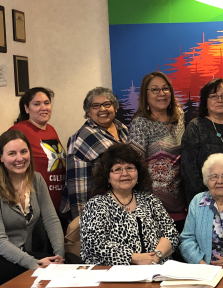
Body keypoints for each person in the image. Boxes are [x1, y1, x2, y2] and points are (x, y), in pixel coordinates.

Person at [0, 130, 65, 288]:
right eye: (12, 153)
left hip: (22, 253)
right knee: (39, 275)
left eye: (23, 151)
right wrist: (35, 263)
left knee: (71, 262)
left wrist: (59, 256)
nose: (19, 158)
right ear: (1, 157)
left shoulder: (36, 179)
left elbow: (51, 220)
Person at [80, 144, 179, 266]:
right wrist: (135, 258)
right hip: (114, 276)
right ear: (108, 177)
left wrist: (156, 256)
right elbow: (95, 244)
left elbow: (171, 233)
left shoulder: (150, 200)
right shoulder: (97, 205)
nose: (125, 173)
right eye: (117, 169)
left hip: (156, 271)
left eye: (130, 168)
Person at [128, 71, 186, 233]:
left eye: (165, 88)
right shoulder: (141, 123)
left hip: (182, 202)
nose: (161, 94)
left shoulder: (179, 116)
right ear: (145, 96)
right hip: (152, 207)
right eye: (154, 90)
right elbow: (133, 166)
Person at [60, 87, 128, 220]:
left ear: (115, 107)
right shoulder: (82, 138)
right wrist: (83, 221)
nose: (102, 109)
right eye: (96, 106)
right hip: (98, 212)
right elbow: (77, 186)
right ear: (88, 112)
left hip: (122, 207)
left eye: (107, 104)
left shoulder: (123, 129)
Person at [9, 87, 66, 213]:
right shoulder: (19, 131)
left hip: (57, 204)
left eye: (46, 103)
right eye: (37, 104)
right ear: (27, 108)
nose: (43, 107)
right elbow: (9, 167)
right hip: (36, 206)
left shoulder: (51, 130)